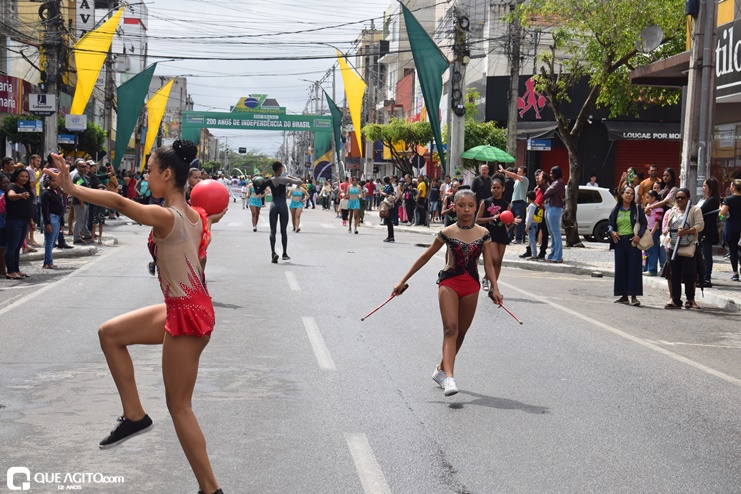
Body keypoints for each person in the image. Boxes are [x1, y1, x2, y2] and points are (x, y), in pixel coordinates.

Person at [47, 142, 226, 494]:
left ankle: (211, 489)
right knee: (110, 334)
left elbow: (119, 203)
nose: (146, 176)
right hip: (183, 306)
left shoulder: (167, 216)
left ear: (167, 174)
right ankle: (134, 415)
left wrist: (71, 188)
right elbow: (206, 228)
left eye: (149, 170)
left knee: (179, 407)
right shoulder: (196, 215)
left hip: (187, 314)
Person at [392, 189, 502, 397]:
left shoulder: (483, 233)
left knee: (461, 332)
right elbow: (425, 257)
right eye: (461, 205)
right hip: (449, 282)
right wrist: (403, 281)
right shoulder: (447, 232)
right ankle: (449, 378)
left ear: (476, 207)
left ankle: (441, 369)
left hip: (471, 285)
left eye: (470, 205)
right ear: (454, 207)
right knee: (451, 329)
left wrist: (495, 288)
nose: (466, 210)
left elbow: (489, 264)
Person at [663, 188, 704, 309]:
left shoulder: (694, 210)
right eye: (678, 198)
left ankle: (690, 299)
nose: (680, 200)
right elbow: (668, 225)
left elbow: (700, 225)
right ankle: (675, 299)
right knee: (674, 273)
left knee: (688, 274)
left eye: (682, 197)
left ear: (688, 198)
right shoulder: (673, 211)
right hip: (673, 246)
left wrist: (687, 231)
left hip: (688, 246)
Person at [608, 186, 647, 306]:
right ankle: (623, 296)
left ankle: (634, 296)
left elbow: (644, 223)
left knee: (634, 268)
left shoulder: (637, 209)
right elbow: (610, 223)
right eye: (627, 193)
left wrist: (639, 236)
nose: (629, 195)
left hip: (633, 241)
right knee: (621, 268)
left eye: (632, 193)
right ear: (622, 194)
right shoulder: (616, 209)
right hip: (619, 241)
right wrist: (612, 232)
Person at [476, 177, 514, 292]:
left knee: (498, 262)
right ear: (491, 189)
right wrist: (491, 218)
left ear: (503, 189)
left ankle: (493, 288)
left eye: (498, 188)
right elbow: (478, 219)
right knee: (494, 258)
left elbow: (508, 224)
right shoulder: (485, 202)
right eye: (494, 187)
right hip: (489, 233)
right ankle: (486, 278)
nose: (496, 190)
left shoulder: (506, 205)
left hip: (501, 234)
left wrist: (511, 222)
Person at [266, 161, 303, 263]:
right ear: (280, 168)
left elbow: (259, 188)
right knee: (283, 231)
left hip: (273, 205)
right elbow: (300, 182)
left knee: (272, 231)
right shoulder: (285, 179)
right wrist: (291, 177)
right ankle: (284, 253)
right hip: (282, 205)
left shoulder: (270, 180)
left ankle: (273, 252)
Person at [4, 168, 34, 279]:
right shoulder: (12, 186)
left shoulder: (25, 188)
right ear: (16, 176)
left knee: (17, 247)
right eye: (22, 176)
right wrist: (20, 195)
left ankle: (16, 270)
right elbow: (10, 196)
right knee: (12, 246)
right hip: (14, 221)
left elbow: (28, 206)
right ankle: (10, 271)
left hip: (24, 221)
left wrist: (31, 220)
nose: (24, 178)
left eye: (26, 176)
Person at [698, 178, 721, 286]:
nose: (703, 188)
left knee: (706, 254)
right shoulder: (704, 198)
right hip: (701, 229)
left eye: (705, 186)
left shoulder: (712, 200)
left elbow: (700, 211)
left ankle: (706, 278)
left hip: (707, 230)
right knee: (701, 254)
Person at [499, 165, 529, 244]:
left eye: (520, 172)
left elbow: (514, 175)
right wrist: (511, 201)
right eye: (518, 172)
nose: (518, 173)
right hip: (514, 202)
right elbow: (514, 192)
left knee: (519, 221)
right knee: (511, 219)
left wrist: (504, 171)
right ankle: (509, 237)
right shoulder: (516, 182)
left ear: (524, 173)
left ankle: (518, 238)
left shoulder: (524, 179)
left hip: (520, 202)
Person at [40, 172, 64, 269]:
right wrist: (48, 223)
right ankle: (49, 262)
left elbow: (61, 208)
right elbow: (45, 209)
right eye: (53, 181)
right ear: (49, 181)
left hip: (57, 218)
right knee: (49, 241)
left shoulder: (57, 193)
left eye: (56, 181)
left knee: (53, 241)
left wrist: (62, 223)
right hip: (51, 218)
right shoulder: (46, 193)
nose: (55, 183)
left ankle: (46, 261)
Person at [719, 178, 741, 282]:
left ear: (734, 187)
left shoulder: (729, 199)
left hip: (732, 226)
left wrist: (720, 208)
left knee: (733, 250)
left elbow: (722, 214)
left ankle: (735, 273)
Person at [542, 166, 565, 263]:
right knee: (552, 233)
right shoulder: (555, 183)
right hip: (550, 207)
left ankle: (557, 257)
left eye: (552, 173)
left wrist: (543, 183)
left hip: (554, 208)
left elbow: (547, 193)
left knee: (555, 233)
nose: (550, 175)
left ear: (556, 173)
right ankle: (552, 255)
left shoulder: (559, 182)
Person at [642, 190, 665, 277]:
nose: (646, 199)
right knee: (646, 250)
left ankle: (652, 270)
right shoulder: (648, 206)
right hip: (647, 230)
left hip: (653, 231)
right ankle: (646, 268)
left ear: (653, 198)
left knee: (652, 250)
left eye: (648, 197)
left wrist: (652, 232)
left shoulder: (658, 207)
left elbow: (657, 221)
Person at [380, 176, 397, 242]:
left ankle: (390, 236)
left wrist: (381, 192)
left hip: (388, 205)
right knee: (389, 222)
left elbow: (387, 194)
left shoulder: (387, 186)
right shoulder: (390, 186)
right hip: (391, 205)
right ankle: (390, 236)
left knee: (389, 221)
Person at [525, 191, 539, 264]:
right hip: (536, 224)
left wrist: (527, 226)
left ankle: (534, 255)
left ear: (528, 198)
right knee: (531, 240)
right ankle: (532, 253)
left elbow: (529, 217)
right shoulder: (536, 205)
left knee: (532, 240)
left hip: (531, 225)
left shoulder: (531, 206)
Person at [0, 174, 9, 276]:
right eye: (3, 183)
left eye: (7, 183)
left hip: (3, 224)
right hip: (2, 224)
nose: (6, 184)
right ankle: (2, 270)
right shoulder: (2, 195)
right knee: (2, 248)